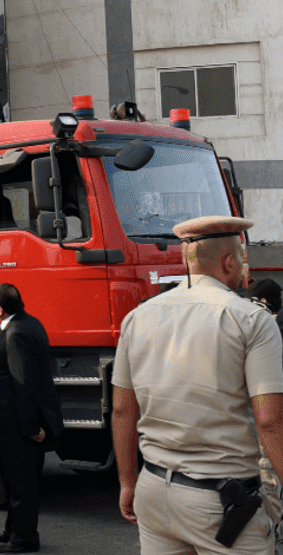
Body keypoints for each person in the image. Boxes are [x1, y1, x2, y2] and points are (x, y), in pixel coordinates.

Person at [113, 216, 283, 555]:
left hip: (154, 489)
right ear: (229, 261)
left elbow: (121, 409)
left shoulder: (138, 317)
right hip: (222, 501)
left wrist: (128, 481)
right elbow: (270, 421)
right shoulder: (251, 319)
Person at [0, 283, 63, 553]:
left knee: (21, 484)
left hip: (16, 424)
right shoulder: (29, 323)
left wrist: (30, 426)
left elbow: (24, 382)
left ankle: (24, 539)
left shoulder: (15, 332)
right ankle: (12, 530)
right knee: (11, 480)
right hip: (12, 423)